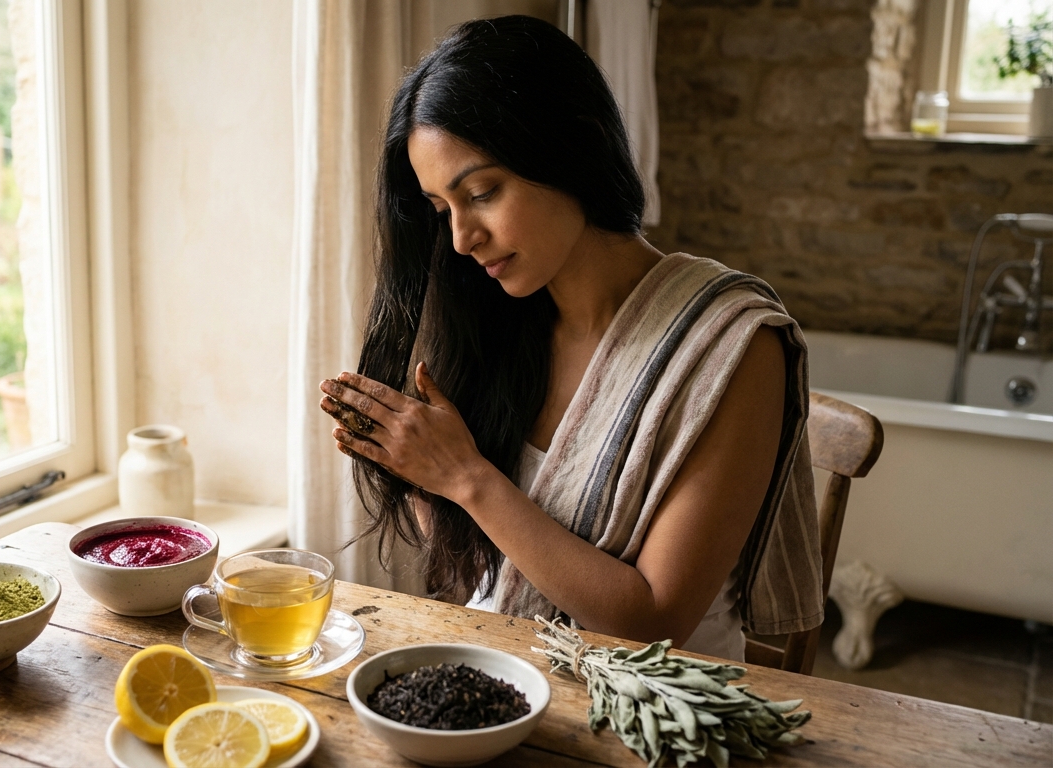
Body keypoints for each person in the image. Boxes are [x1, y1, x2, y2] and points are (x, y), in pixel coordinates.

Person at [317, 15, 823, 661]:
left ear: (569, 149)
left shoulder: (733, 346)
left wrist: (466, 476)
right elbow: (478, 566)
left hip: (655, 704)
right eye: (443, 209)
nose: (462, 239)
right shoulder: (495, 324)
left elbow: (653, 622)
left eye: (482, 192)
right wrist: (416, 467)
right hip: (497, 669)